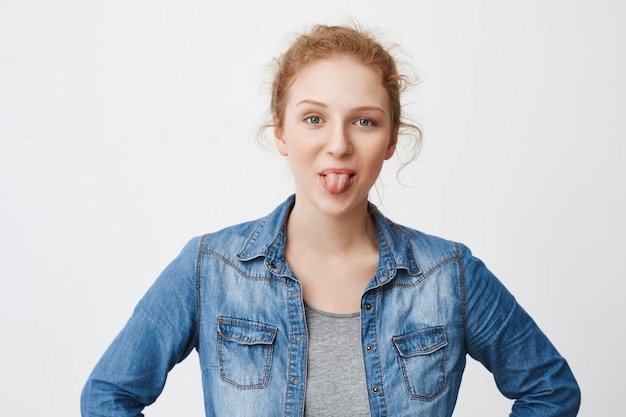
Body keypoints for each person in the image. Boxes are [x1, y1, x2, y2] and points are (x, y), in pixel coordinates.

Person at [81, 24, 581, 417]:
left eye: (364, 120)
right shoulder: (210, 268)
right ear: (281, 133)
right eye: (314, 118)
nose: (339, 144)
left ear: (389, 141)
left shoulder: (449, 275)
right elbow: (107, 397)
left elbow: (551, 390)